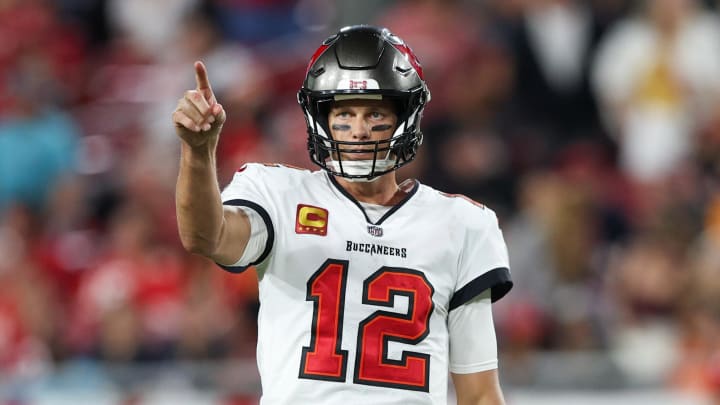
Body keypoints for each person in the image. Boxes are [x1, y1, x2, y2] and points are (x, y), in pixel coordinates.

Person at [173, 25, 513, 405]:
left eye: (375, 114)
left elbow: (480, 393)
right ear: (321, 118)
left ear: (406, 115)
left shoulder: (463, 225)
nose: (359, 130)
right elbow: (205, 237)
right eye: (344, 113)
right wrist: (198, 153)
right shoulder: (278, 194)